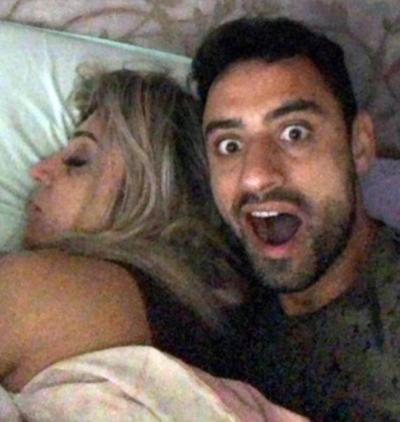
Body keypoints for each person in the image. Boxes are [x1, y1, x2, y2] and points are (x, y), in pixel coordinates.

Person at [0, 68, 307, 421]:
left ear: (152, 193)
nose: (39, 170)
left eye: (79, 160)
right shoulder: (217, 331)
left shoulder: (46, 288)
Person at [190, 16, 400, 421]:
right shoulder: (213, 311)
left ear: (359, 146)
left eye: (294, 133)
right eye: (229, 145)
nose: (255, 176)